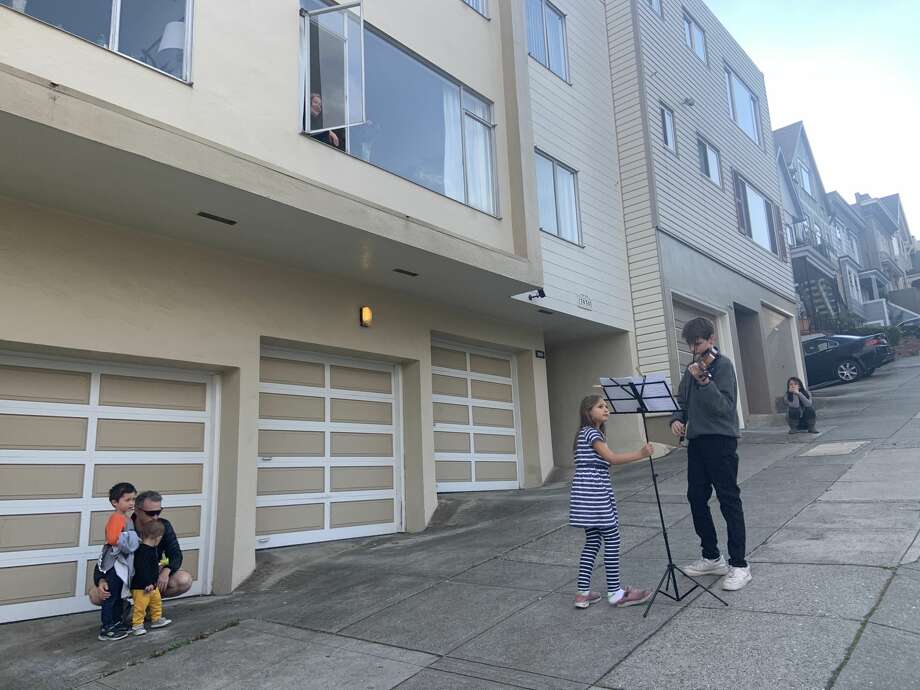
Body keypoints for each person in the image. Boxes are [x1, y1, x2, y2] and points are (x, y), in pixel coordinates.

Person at [670, 317, 752, 591]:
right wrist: (675, 419)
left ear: (711, 340)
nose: (695, 350)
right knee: (696, 498)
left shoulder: (723, 366)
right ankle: (712, 556)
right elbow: (681, 400)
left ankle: (739, 565)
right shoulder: (691, 368)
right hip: (697, 443)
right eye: (691, 345)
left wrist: (704, 380)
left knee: (728, 500)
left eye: (699, 343)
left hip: (721, 441)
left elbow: (725, 408)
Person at [571, 395, 655, 609]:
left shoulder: (585, 433)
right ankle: (615, 593)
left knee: (592, 542)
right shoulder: (591, 433)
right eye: (600, 406)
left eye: (606, 406)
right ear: (588, 412)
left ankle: (582, 594)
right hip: (595, 492)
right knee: (612, 537)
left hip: (585, 493)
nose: (606, 409)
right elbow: (612, 459)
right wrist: (641, 453)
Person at [90, 490, 193, 612]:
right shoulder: (123, 526)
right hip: (126, 577)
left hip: (150, 575)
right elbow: (107, 557)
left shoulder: (163, 526)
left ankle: (148, 605)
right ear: (137, 510)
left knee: (184, 580)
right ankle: (122, 607)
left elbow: (175, 554)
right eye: (151, 513)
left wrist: (166, 571)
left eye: (158, 512)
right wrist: (100, 580)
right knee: (95, 595)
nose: (155, 517)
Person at [97, 482, 139, 641]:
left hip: (122, 563)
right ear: (115, 502)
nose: (131, 503)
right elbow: (113, 539)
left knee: (119, 596)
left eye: (133, 499)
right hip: (115, 563)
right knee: (111, 595)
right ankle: (106, 627)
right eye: (127, 500)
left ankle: (116, 622)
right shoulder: (116, 518)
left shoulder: (125, 518)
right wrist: (131, 540)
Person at [130, 520, 172, 636]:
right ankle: (137, 625)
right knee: (140, 606)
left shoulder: (152, 550)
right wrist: (147, 583)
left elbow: (151, 567)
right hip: (141, 586)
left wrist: (159, 566)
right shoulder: (142, 551)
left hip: (152, 585)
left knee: (156, 602)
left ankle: (156, 619)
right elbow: (141, 569)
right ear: (158, 537)